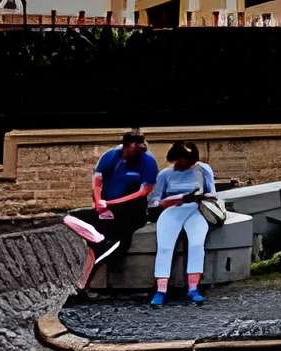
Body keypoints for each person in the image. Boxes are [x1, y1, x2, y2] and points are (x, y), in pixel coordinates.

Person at [61, 130, 157, 292]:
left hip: (131, 211)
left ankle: (81, 285)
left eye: (141, 147)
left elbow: (144, 191)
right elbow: (97, 181)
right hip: (106, 209)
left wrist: (111, 203)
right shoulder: (110, 156)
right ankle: (99, 241)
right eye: (135, 147)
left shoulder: (147, 161)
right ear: (126, 146)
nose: (139, 150)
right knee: (68, 218)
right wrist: (99, 203)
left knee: (113, 242)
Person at [149, 139, 220, 306]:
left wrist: (199, 196)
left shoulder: (203, 169)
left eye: (186, 161)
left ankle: (193, 287)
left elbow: (213, 194)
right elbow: (154, 201)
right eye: (179, 160)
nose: (182, 164)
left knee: (196, 244)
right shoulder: (165, 174)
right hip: (173, 210)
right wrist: (175, 199)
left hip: (195, 210)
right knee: (165, 247)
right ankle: (161, 289)